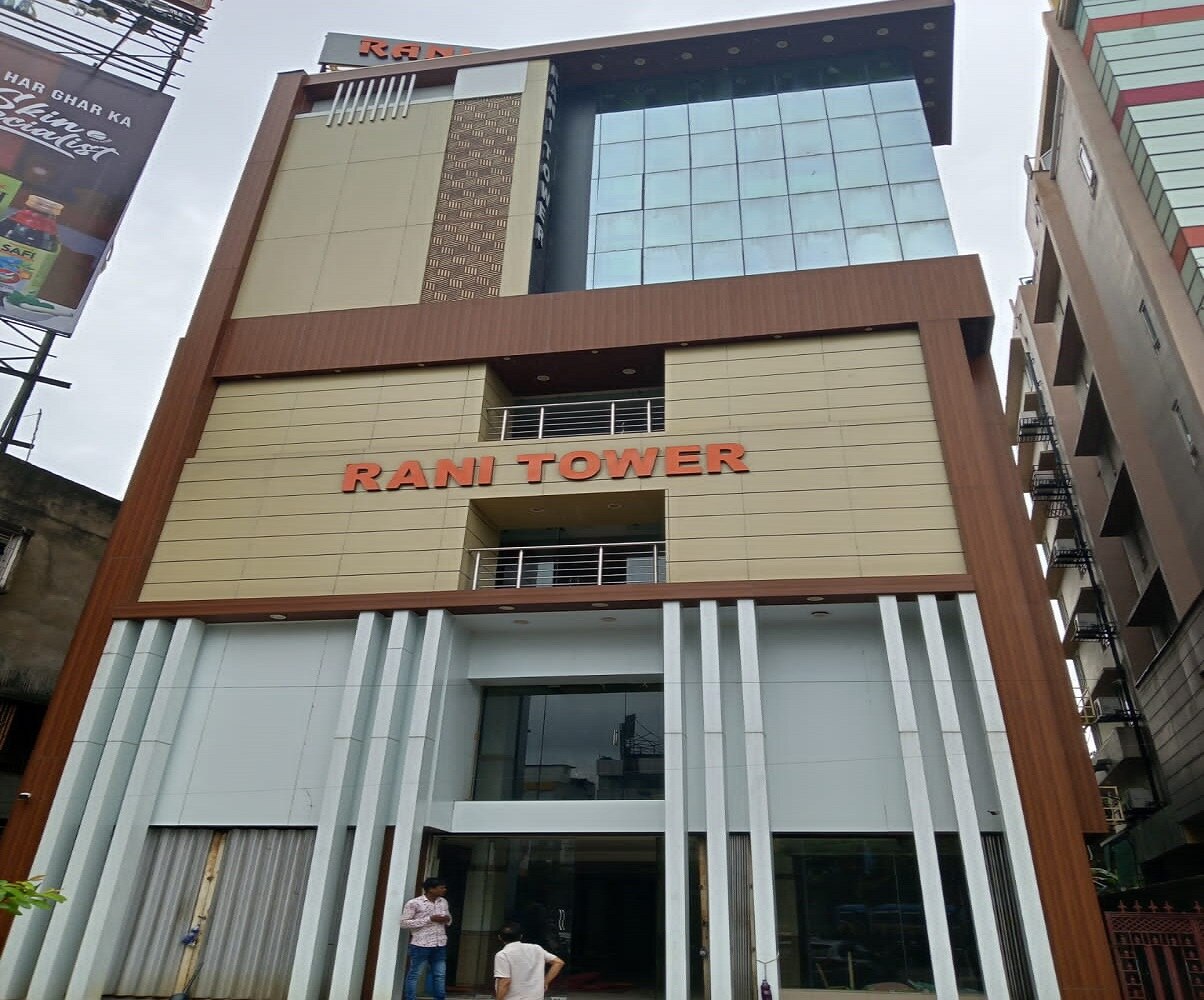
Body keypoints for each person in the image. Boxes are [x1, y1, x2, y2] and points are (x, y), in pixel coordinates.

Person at [401, 877, 453, 1000]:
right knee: (415, 974)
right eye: (441, 888)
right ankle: (410, 998)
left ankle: (440, 997)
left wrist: (446, 919)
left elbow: (449, 919)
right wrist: (429, 919)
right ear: (431, 889)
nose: (444, 890)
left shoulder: (443, 902)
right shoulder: (414, 903)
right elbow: (404, 923)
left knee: (440, 974)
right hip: (421, 944)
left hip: (440, 944)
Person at [494, 922, 565, 1000]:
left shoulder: (503, 955)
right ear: (521, 936)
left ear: (499, 937)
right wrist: (545, 982)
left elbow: (505, 981)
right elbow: (558, 963)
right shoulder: (536, 948)